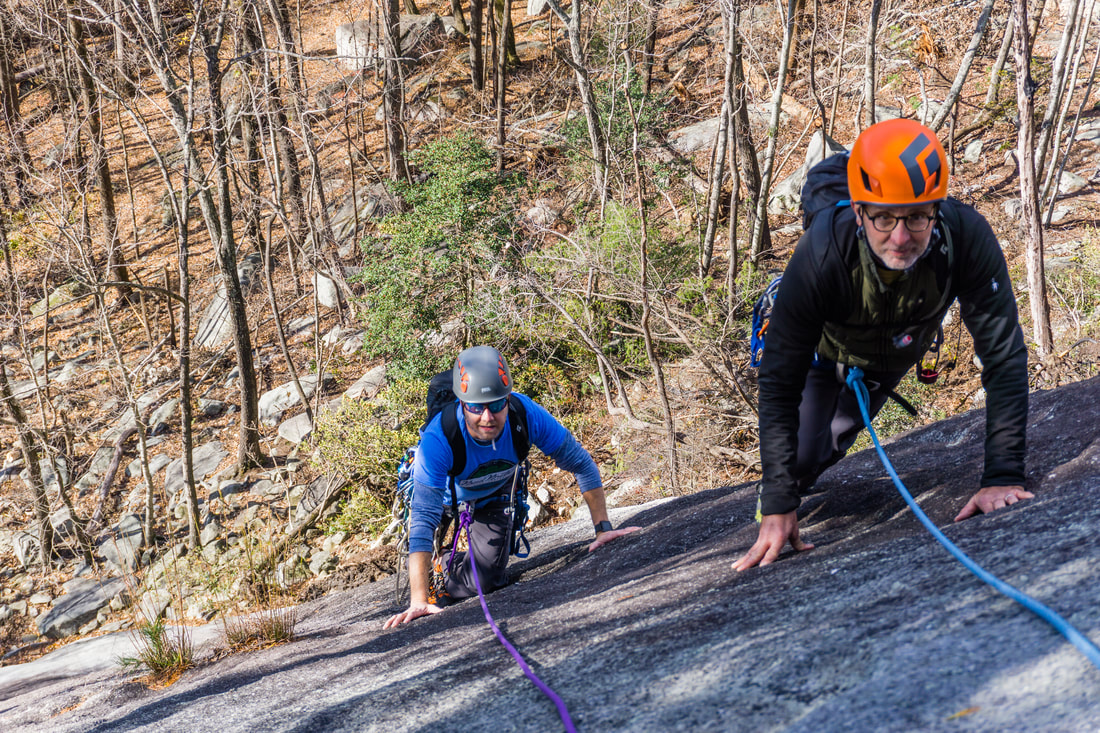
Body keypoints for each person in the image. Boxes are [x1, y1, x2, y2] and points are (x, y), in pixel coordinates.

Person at [734, 119, 1032, 572]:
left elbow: (1003, 355)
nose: (900, 236)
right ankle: (783, 490)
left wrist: (1003, 475)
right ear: (858, 212)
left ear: (935, 208)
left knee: (828, 446)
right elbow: (779, 376)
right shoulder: (822, 251)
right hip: (821, 350)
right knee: (799, 460)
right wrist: (778, 500)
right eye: (883, 217)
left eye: (915, 216)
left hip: (888, 356)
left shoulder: (966, 238)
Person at [385, 346, 638, 628]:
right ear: (461, 404)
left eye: (496, 404)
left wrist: (603, 529)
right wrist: (419, 600)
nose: (487, 417)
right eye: (475, 407)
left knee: (487, 579)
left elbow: (580, 462)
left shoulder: (525, 415)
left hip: (494, 492)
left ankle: (443, 562)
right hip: (444, 496)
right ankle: (434, 563)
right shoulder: (441, 437)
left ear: (508, 398)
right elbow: (423, 518)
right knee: (432, 545)